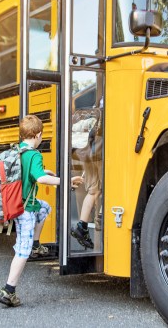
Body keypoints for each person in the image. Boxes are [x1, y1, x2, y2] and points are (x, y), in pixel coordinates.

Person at [0, 114, 82, 308]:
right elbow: (40, 179)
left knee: (44, 207)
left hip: (20, 204)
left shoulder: (18, 151)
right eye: (42, 136)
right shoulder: (35, 154)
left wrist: (46, 172)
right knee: (22, 251)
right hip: (25, 210)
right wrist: (65, 181)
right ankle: (8, 290)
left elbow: (34, 173)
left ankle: (36, 244)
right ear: (38, 134)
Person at [70, 106, 103, 249]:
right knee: (102, 189)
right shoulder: (109, 107)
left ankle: (82, 225)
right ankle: (98, 225)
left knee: (93, 191)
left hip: (88, 153)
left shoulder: (96, 108)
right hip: (100, 153)